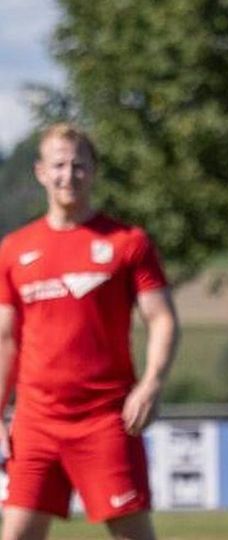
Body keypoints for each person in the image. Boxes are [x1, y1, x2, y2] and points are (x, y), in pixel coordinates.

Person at [0, 123, 179, 540]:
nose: (69, 175)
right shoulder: (13, 249)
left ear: (93, 170)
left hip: (106, 419)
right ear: (41, 171)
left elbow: (162, 319)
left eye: (79, 165)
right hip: (35, 422)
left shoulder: (127, 242)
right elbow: (6, 339)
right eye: (59, 165)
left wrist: (151, 384)